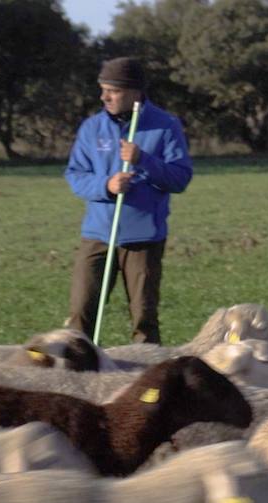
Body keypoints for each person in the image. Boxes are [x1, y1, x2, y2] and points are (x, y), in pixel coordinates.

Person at [64, 57, 193, 345]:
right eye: (102, 89)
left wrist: (143, 160)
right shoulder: (91, 128)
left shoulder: (165, 126)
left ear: (135, 92)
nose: (104, 97)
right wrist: (106, 185)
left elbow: (180, 178)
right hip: (98, 235)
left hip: (144, 239)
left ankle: (149, 382)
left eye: (113, 91)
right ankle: (78, 378)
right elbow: (75, 175)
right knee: (81, 313)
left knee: (144, 319)